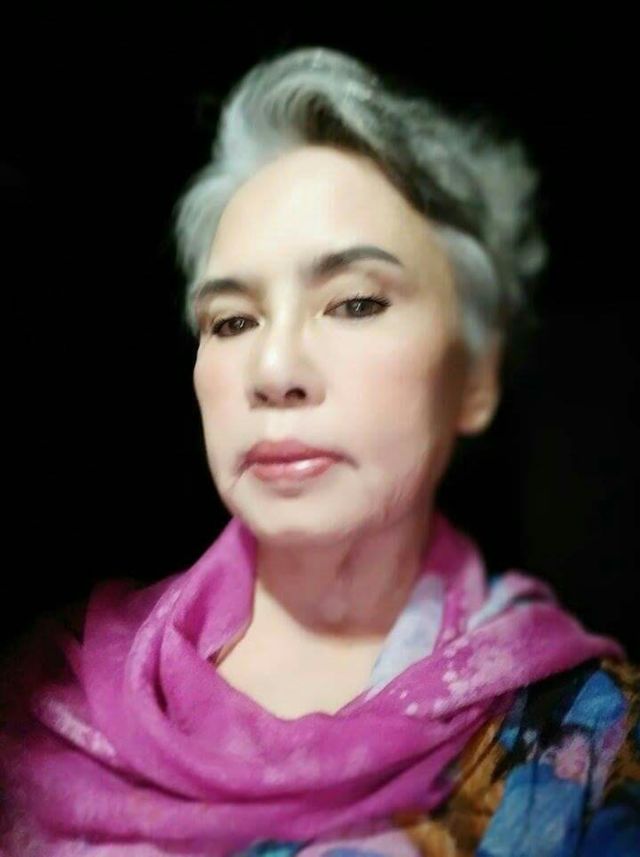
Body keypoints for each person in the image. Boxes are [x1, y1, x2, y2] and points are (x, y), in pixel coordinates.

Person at [0, 45, 638, 857]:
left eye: (356, 302)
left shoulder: (589, 736)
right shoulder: (42, 700)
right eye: (232, 320)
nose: (274, 371)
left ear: (475, 376)